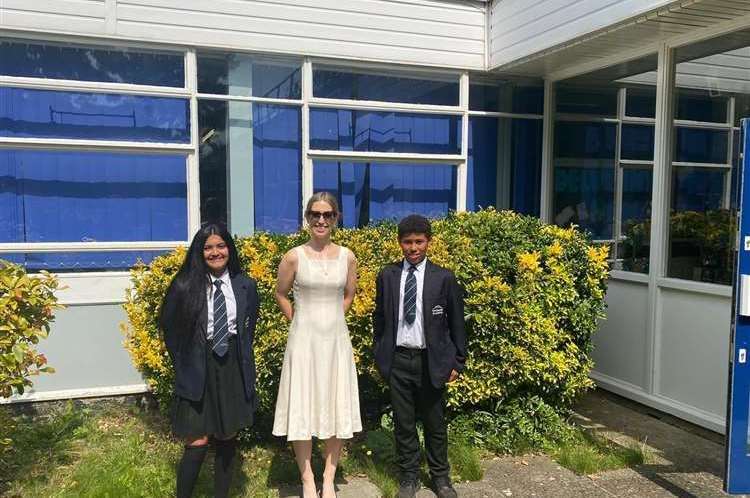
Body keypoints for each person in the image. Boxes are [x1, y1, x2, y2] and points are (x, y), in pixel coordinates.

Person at [159, 222, 260, 498]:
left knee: (227, 437)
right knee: (197, 440)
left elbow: (248, 328)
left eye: (221, 246)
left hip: (231, 366)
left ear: (229, 248)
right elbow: (169, 327)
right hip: (197, 367)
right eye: (208, 247)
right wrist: (182, 363)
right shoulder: (184, 285)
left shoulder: (245, 285)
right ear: (199, 252)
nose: (215, 252)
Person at [272, 192, 362, 498]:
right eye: (315, 214)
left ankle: (328, 478)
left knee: (336, 407)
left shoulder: (347, 256)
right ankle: (308, 478)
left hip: (336, 342)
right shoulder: (293, 256)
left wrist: (333, 320)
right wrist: (300, 321)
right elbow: (281, 293)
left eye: (327, 214)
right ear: (307, 218)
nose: (320, 220)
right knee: (303, 408)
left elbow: (349, 294)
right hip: (304, 343)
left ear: (336, 218)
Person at [373, 214, 466, 498]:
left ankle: (440, 477)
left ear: (429, 242)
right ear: (400, 243)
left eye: (419, 242)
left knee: (435, 422)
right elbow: (379, 318)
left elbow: (457, 323)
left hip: (431, 362)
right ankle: (409, 476)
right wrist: (380, 354)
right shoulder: (388, 276)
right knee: (403, 424)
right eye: (407, 242)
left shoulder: (443, 278)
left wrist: (458, 361)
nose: (413, 248)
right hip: (399, 360)